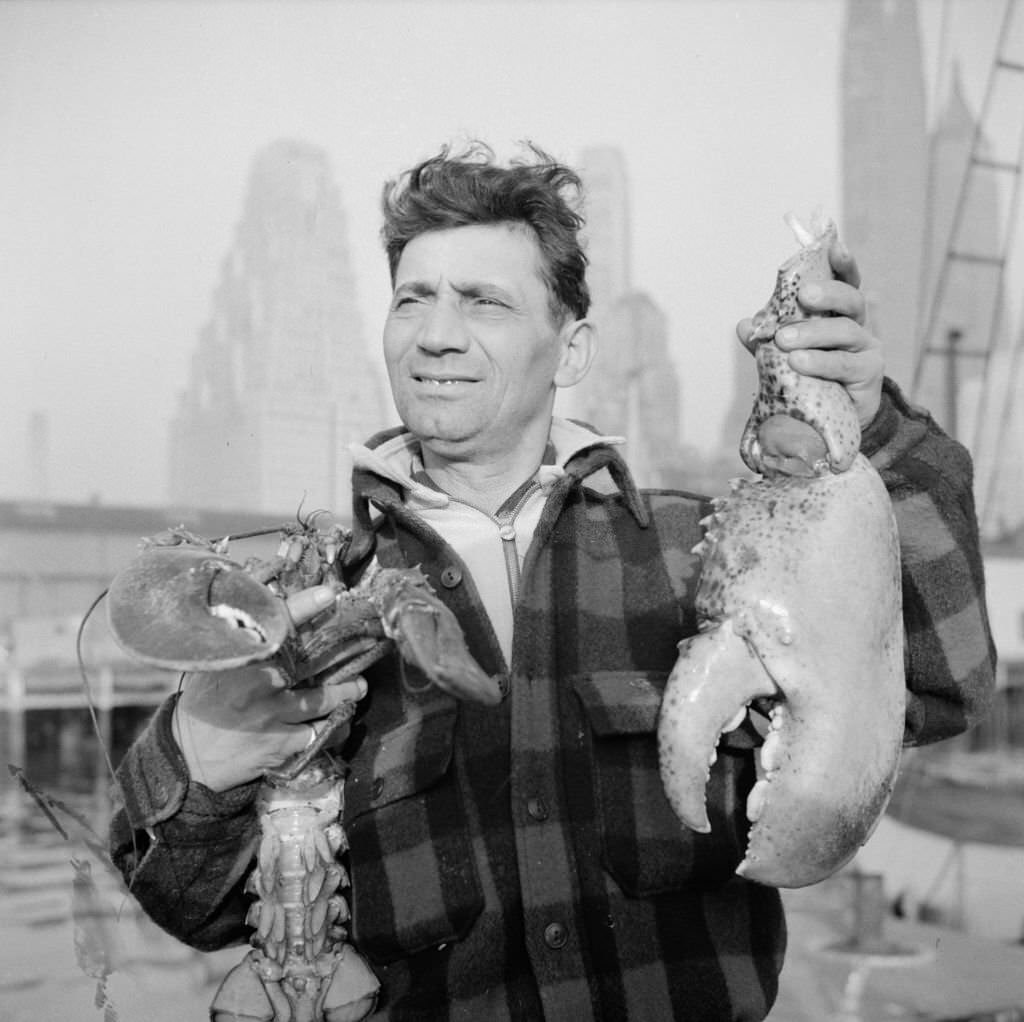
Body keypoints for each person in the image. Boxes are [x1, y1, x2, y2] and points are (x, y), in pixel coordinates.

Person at [110, 142, 997, 1021]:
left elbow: (939, 672)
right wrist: (202, 757)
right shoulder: (308, 602)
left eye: (483, 302)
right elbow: (191, 905)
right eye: (410, 299)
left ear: (571, 351)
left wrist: (870, 418)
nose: (435, 334)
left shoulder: (706, 549)